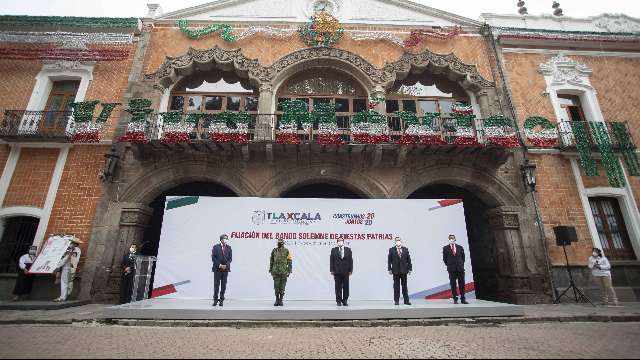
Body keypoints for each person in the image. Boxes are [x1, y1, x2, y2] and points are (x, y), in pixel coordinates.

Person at [54, 238, 82, 302]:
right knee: (66, 282)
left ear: (74, 244)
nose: (70, 244)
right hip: (70, 267)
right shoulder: (77, 250)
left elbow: (65, 259)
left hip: (67, 267)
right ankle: (63, 296)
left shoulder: (71, 250)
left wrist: (57, 267)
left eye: (72, 243)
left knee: (64, 282)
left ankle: (62, 297)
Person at [443, 234, 467, 304]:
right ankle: (455, 299)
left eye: (452, 238)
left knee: (462, 284)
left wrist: (460, 265)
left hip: (460, 269)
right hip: (451, 269)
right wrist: (450, 265)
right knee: (453, 284)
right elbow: (445, 259)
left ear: (455, 239)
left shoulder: (460, 247)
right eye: (450, 238)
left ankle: (463, 298)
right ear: (448, 239)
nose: (451, 239)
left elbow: (463, 258)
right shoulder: (445, 248)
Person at [388, 237, 412, 306]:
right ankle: (396, 301)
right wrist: (389, 269)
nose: (398, 241)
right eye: (396, 240)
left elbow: (409, 260)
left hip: (404, 271)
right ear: (395, 242)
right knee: (396, 286)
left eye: (399, 240)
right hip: (395, 271)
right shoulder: (391, 250)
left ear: (401, 241)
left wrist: (410, 269)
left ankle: (406, 301)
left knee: (404, 286)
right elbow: (389, 260)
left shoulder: (405, 249)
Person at [330, 238, 353, 306]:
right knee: (338, 287)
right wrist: (332, 270)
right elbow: (332, 260)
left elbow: (350, 260)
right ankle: (338, 301)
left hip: (346, 271)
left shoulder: (348, 249)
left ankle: (345, 300)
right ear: (337, 242)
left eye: (341, 241)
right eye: (338, 241)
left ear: (343, 242)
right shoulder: (334, 250)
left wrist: (350, 270)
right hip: (337, 271)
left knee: (346, 286)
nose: (340, 242)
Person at [270, 238, 292, 307]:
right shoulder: (274, 251)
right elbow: (271, 260)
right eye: (278, 242)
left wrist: (289, 270)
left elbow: (290, 261)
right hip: (276, 271)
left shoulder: (286, 251)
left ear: (283, 243)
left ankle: (281, 300)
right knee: (276, 287)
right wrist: (271, 269)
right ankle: (277, 300)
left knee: (282, 287)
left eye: (280, 242)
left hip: (283, 272)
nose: (279, 243)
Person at [212, 234, 232, 307]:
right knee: (216, 285)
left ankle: (221, 300)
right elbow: (213, 258)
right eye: (225, 238)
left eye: (227, 239)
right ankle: (215, 300)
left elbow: (230, 259)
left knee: (223, 285)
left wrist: (226, 265)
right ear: (221, 239)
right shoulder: (215, 247)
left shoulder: (229, 248)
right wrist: (219, 265)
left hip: (225, 269)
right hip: (217, 269)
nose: (226, 240)